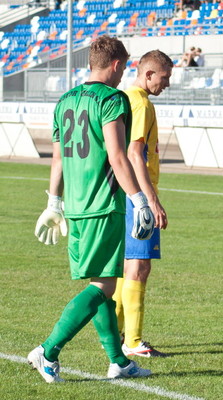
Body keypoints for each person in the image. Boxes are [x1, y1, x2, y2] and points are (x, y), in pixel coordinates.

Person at [30, 35, 154, 383]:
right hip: (103, 203)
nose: (122, 74)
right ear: (116, 65)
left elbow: (57, 159)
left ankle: (119, 361)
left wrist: (54, 203)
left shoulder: (65, 100)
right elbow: (117, 155)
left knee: (103, 284)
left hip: (75, 207)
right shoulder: (113, 98)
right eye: (123, 68)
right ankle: (48, 350)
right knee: (102, 287)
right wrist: (139, 199)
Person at [112, 50, 172, 359]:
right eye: (164, 77)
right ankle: (132, 341)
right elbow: (135, 154)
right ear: (148, 74)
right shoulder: (141, 103)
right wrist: (151, 200)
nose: (167, 84)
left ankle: (115, 334)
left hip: (124, 193)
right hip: (137, 195)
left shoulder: (125, 98)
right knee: (139, 266)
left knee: (128, 267)